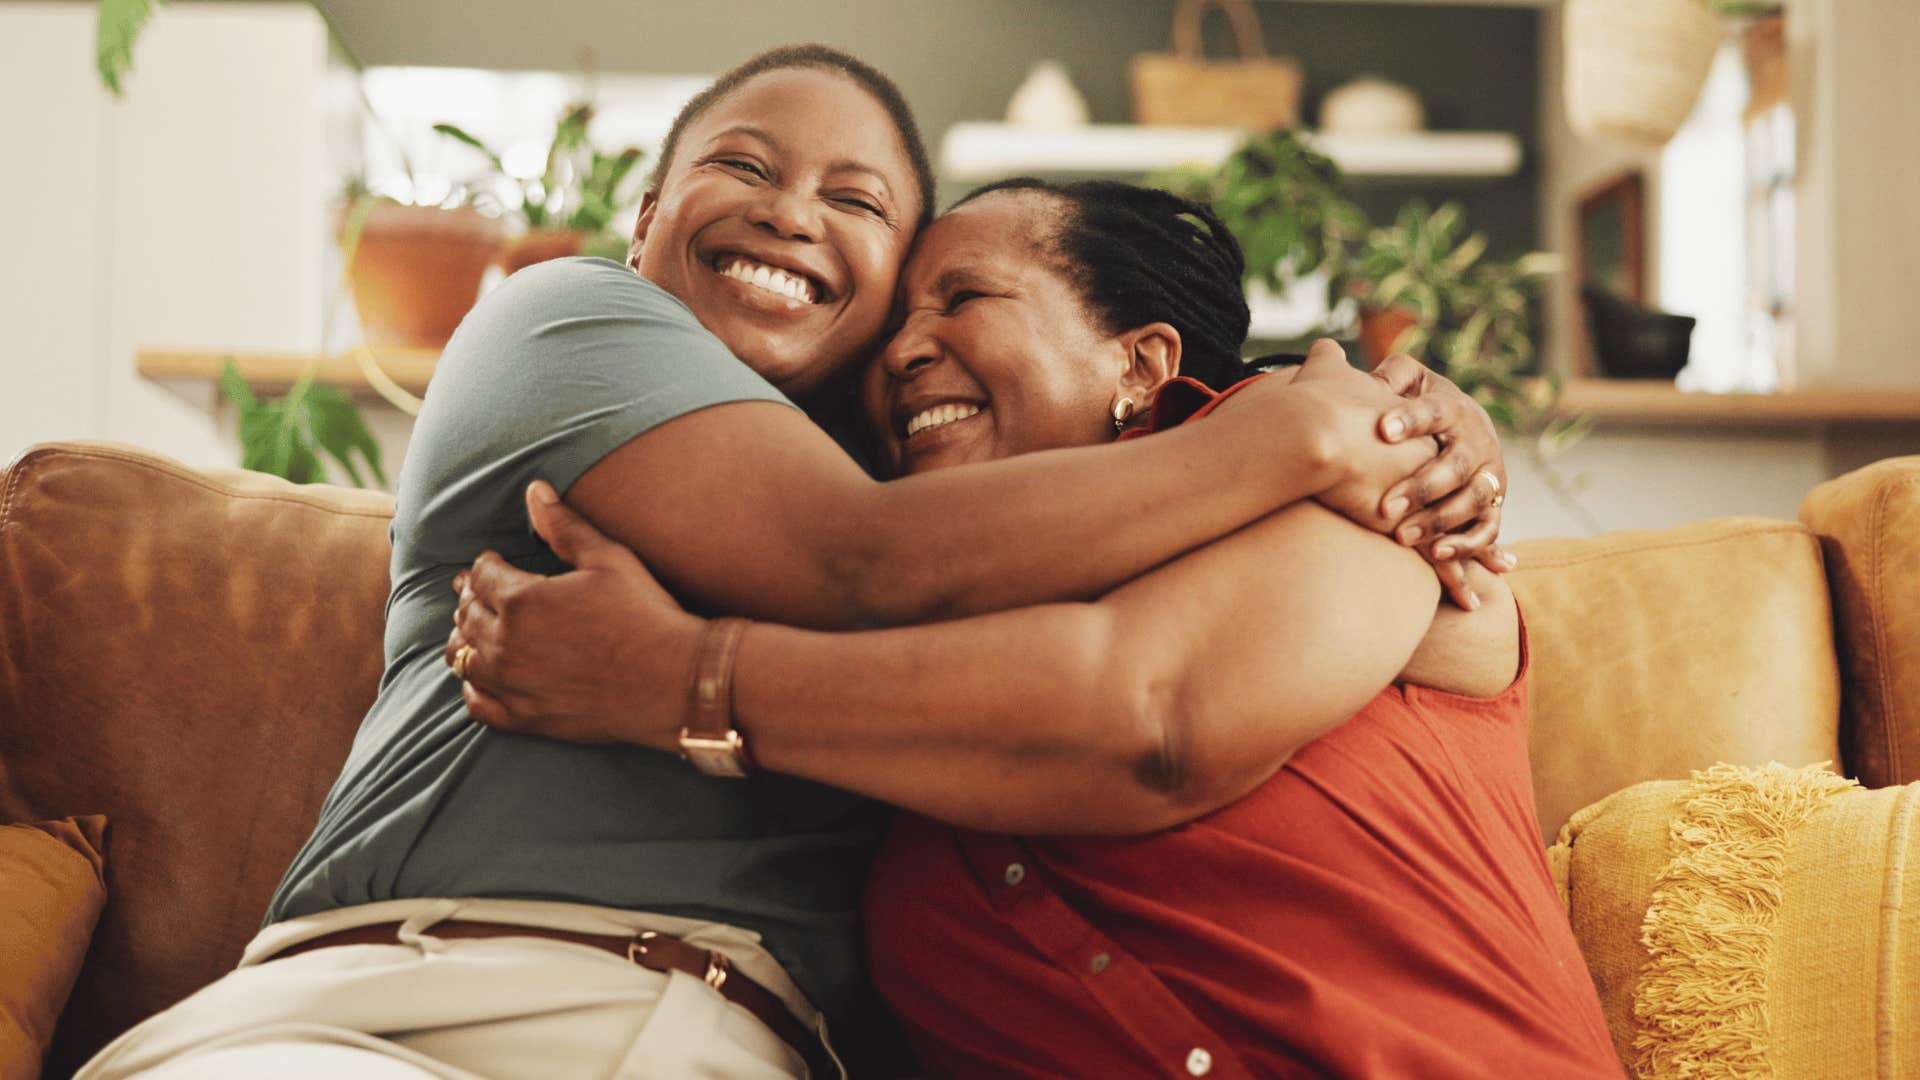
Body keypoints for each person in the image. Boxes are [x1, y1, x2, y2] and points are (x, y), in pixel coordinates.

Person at [76, 47, 1507, 1080]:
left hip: (730, 1044)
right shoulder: (573, 323)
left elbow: (1135, 711)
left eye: (863, 208)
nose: (790, 213)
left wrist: (1378, 430)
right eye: (740, 167)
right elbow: (857, 560)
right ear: (645, 221)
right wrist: (1327, 431)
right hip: (404, 997)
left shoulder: (1041, 520)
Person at [446, 180, 1619, 1077]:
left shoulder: (1337, 454)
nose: (903, 352)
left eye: (965, 299)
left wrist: (678, 683)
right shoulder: (893, 705)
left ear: (1141, 360)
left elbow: (1153, 721)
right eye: (894, 325)